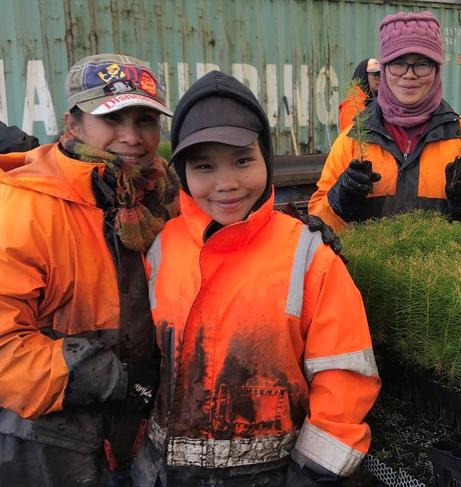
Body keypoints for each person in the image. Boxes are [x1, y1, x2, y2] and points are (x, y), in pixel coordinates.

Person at [131, 70, 381, 486]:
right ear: (183, 172)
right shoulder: (159, 247)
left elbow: (345, 382)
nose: (226, 183)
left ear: (266, 157)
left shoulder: (308, 256)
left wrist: (311, 475)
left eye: (243, 160)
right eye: (204, 165)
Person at [0, 54, 178, 486]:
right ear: (73, 123)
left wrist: (305, 237)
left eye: (145, 120)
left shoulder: (162, 195)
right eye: (112, 118)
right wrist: (110, 377)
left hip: (139, 434)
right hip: (51, 441)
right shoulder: (25, 209)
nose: (132, 137)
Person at [310, 12, 461, 232]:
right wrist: (340, 200)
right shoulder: (353, 139)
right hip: (368, 268)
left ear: (436, 70)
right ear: (384, 70)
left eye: (422, 64)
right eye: (398, 63)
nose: (409, 75)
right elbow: (318, 223)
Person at [338, 58, 381, 132]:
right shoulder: (352, 105)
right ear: (363, 76)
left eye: (382, 74)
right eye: (375, 74)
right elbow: (353, 138)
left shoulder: (376, 101)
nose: (380, 78)